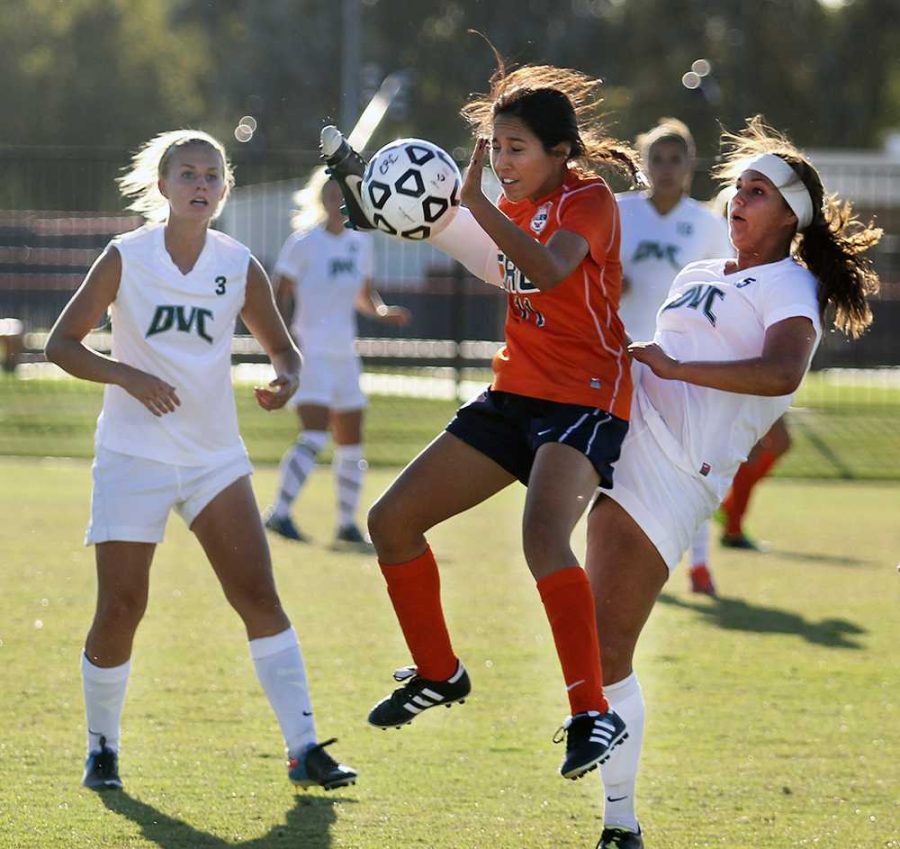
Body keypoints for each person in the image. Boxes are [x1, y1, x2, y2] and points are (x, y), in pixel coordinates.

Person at [324, 55, 643, 782]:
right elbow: (478, 250)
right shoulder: (511, 202)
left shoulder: (587, 202)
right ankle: (439, 672)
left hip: (588, 394)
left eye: (517, 148)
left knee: (541, 535)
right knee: (391, 522)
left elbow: (547, 268)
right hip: (516, 393)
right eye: (495, 148)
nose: (502, 161)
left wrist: (472, 205)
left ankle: (592, 712)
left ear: (561, 152)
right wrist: (385, 198)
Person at [584, 116, 881, 848]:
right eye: (737, 187)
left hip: (676, 471)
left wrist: (678, 368)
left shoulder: (791, 285)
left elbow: (782, 371)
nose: (738, 199)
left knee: (604, 650)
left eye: (757, 190)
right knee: (582, 625)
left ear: (790, 217)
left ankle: (620, 818)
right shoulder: (696, 273)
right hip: (621, 438)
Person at [44, 130, 357, 793]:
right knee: (122, 605)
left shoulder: (238, 262)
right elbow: (61, 345)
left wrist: (285, 379)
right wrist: (129, 376)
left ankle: (305, 747)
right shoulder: (124, 256)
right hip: (133, 455)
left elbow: (286, 350)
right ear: (162, 186)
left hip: (215, 457)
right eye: (187, 173)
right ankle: (103, 747)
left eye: (212, 175)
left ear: (224, 188)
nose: (200, 184)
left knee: (259, 595)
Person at [617, 117, 733, 595]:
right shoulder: (619, 212)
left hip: (680, 363)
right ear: (643, 164)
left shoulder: (707, 225)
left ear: (691, 165)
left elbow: (725, 290)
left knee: (690, 462)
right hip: (620, 354)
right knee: (617, 463)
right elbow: (583, 266)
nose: (666, 169)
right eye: (657, 159)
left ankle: (699, 564)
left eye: (676, 159)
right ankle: (616, 560)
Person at [262, 178, 411, 549]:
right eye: (331, 194)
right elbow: (278, 294)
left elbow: (363, 297)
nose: (336, 201)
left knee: (351, 443)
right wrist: (280, 344)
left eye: (344, 196)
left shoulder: (361, 243)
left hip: (345, 354)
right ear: (321, 199)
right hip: (311, 353)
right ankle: (279, 513)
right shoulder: (303, 243)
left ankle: (346, 524)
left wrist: (381, 311)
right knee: (313, 434)